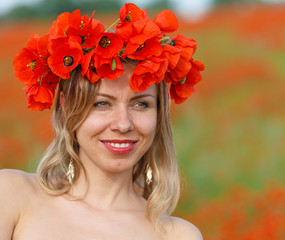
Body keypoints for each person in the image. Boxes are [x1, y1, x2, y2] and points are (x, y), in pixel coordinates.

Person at [0, 3, 204, 240]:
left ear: (159, 114)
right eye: (102, 104)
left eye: (141, 104)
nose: (123, 124)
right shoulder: (11, 195)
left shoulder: (177, 235)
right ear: (67, 108)